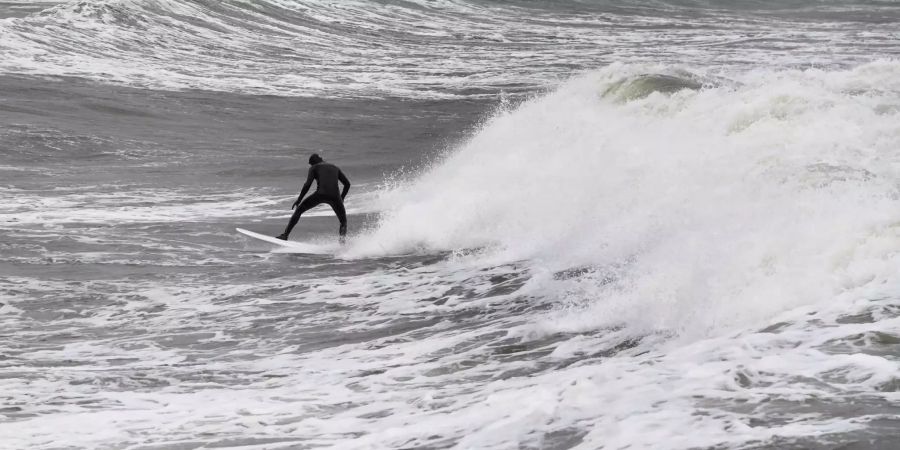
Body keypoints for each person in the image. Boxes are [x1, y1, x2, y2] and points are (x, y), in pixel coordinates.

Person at [277, 153, 351, 240]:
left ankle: (285, 235)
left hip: (320, 194)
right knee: (343, 222)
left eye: (311, 163)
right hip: (335, 197)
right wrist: (341, 198)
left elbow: (307, 184)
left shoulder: (314, 167)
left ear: (313, 162)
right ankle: (342, 244)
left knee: (299, 210)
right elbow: (347, 184)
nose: (311, 165)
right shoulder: (335, 167)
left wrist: (299, 200)